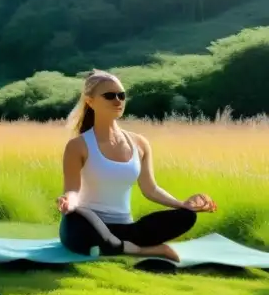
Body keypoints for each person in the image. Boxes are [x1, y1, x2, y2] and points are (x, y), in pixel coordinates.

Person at [57, 69, 216, 262]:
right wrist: (68, 202)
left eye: (121, 95)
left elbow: (151, 189)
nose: (117, 100)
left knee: (186, 217)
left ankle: (117, 245)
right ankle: (143, 250)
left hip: (126, 228)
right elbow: (73, 190)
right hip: (87, 224)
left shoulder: (139, 143)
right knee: (81, 218)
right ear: (90, 102)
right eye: (109, 96)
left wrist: (182, 205)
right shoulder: (78, 145)